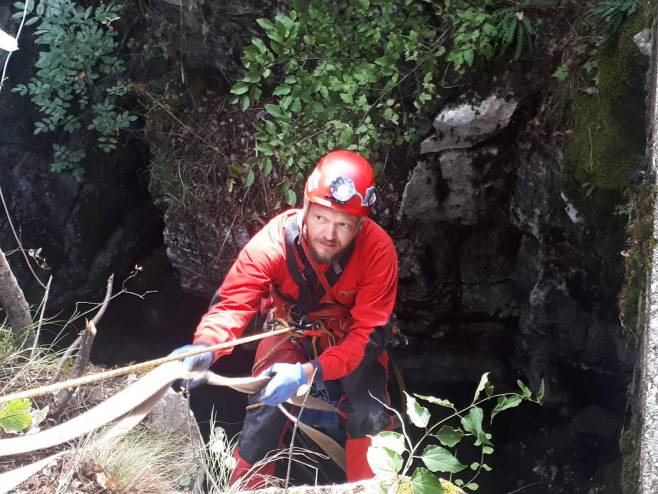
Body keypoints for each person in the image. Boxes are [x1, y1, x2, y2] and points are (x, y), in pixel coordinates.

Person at [171, 149, 398, 488]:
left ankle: (372, 487)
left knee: (370, 414)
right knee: (263, 413)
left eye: (343, 225)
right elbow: (233, 305)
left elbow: (367, 335)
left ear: (359, 226)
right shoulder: (273, 244)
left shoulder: (377, 251)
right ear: (305, 208)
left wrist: (310, 371)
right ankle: (247, 486)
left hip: (350, 339)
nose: (329, 234)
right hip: (290, 330)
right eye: (321, 218)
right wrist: (204, 351)